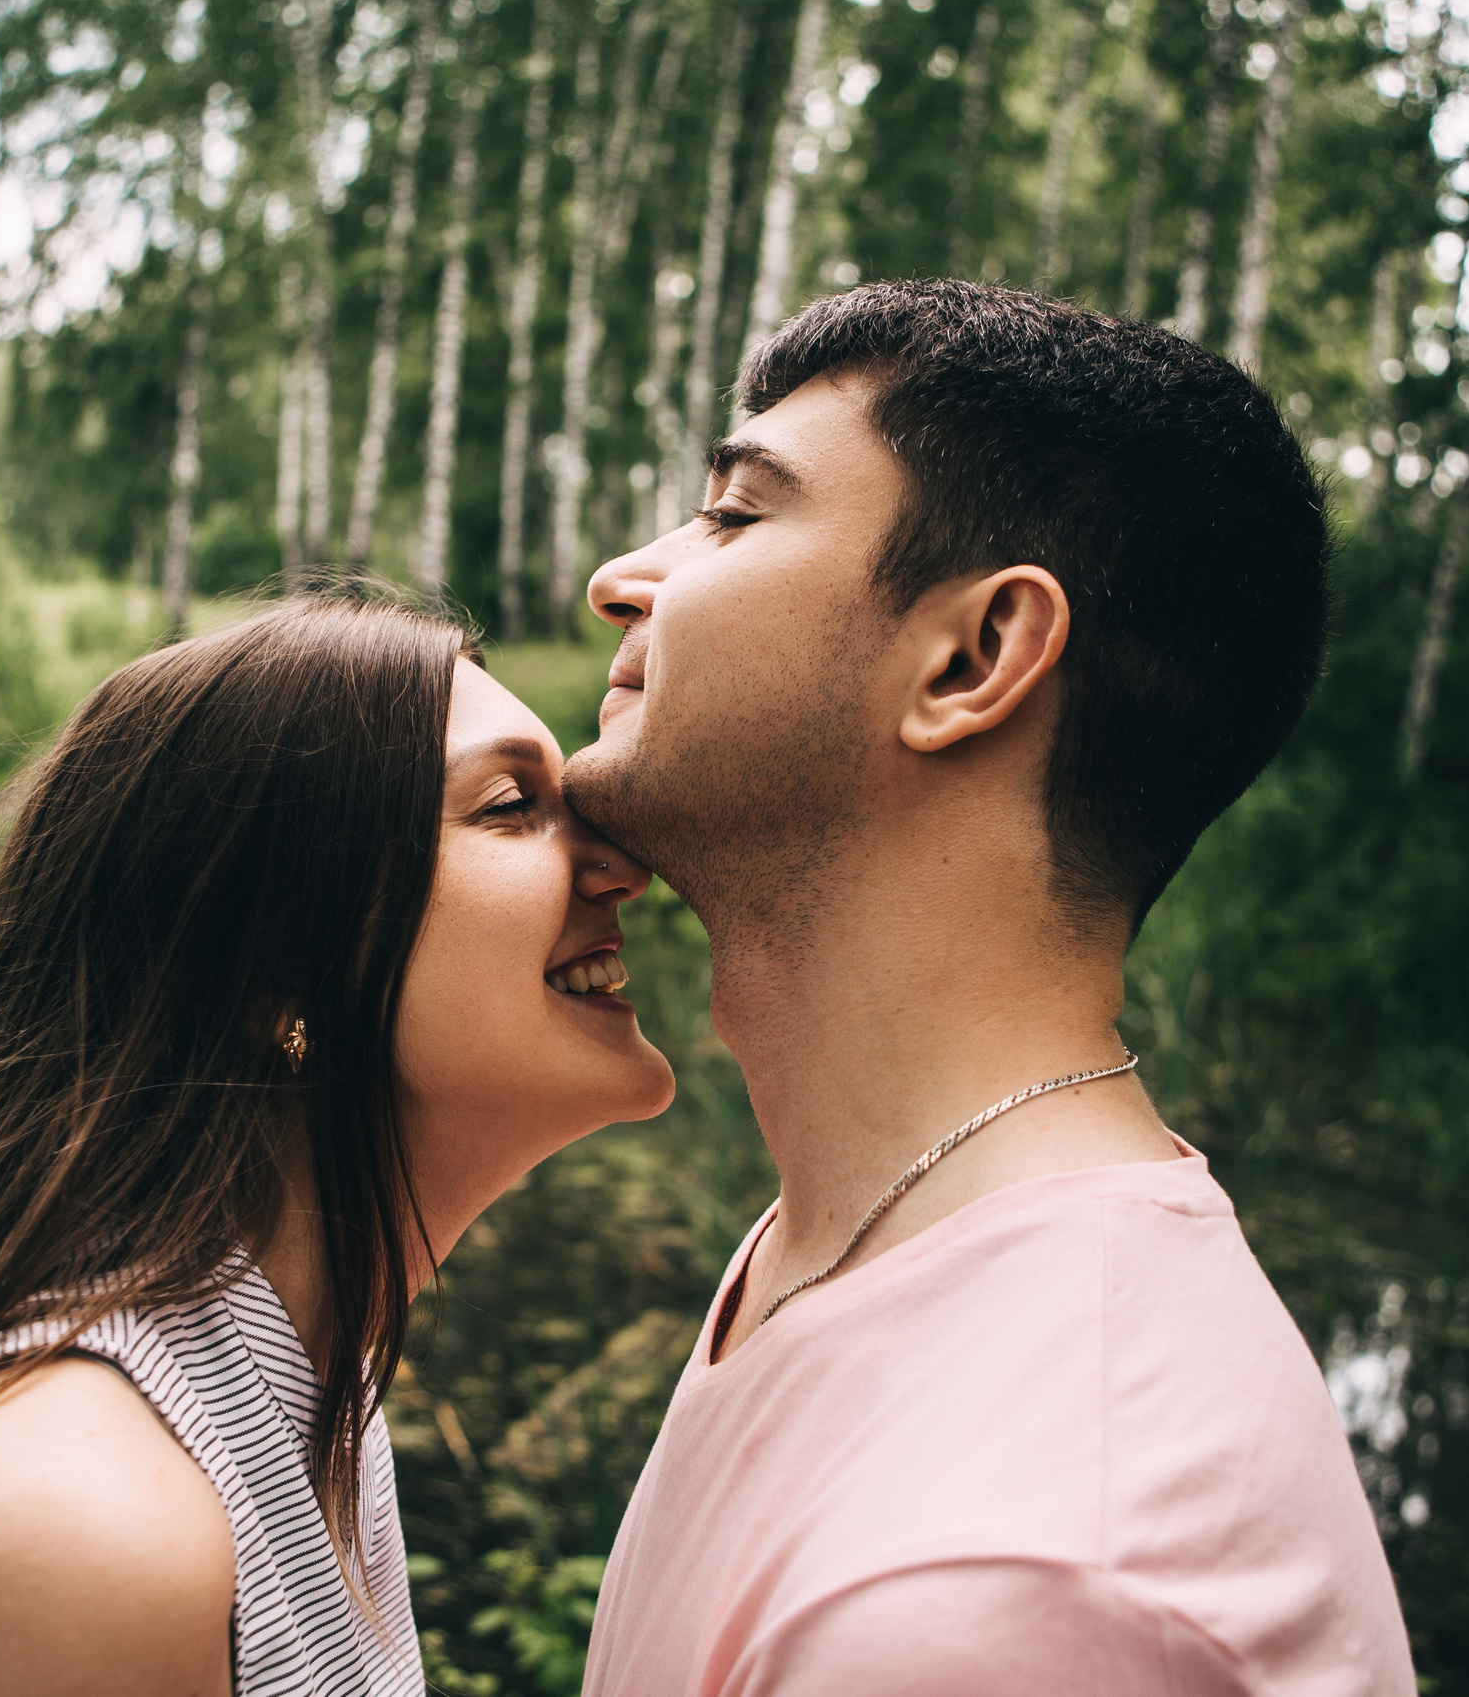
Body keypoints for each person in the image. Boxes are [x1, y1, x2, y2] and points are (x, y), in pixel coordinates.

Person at [565, 281, 1416, 1695]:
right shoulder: (864, 1232)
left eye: (734, 513)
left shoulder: (998, 1590)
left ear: (972, 656)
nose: (622, 575)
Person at [0, 594, 675, 1697]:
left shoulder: (309, 1415)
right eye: (511, 805)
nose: (621, 863)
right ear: (274, 974)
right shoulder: (62, 1519)